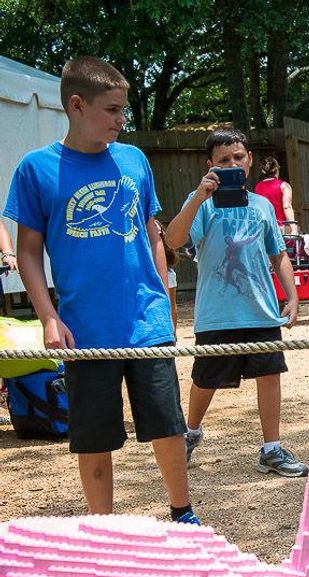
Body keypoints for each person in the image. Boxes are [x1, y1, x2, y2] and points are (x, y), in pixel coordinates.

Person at [2, 56, 196, 522]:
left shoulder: (134, 160)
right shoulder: (37, 169)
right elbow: (28, 251)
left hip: (145, 322)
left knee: (167, 425)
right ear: (76, 105)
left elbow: (151, 232)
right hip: (83, 329)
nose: (121, 120)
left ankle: (183, 514)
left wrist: (162, 295)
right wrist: (49, 316)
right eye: (112, 110)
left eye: (123, 110)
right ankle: (103, 530)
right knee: (93, 435)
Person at [165, 128, 309, 478]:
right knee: (206, 379)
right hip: (217, 314)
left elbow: (279, 255)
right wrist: (199, 197)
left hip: (260, 310)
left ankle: (271, 448)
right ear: (210, 164)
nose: (232, 164)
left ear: (250, 162)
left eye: (238, 158)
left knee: (270, 375)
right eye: (224, 160)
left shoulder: (261, 205)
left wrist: (292, 296)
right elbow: (173, 239)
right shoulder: (200, 202)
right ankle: (191, 432)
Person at [254, 156, 298, 234]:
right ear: (277, 169)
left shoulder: (257, 187)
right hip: (280, 228)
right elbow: (287, 206)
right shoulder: (284, 185)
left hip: (263, 228)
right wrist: (294, 228)